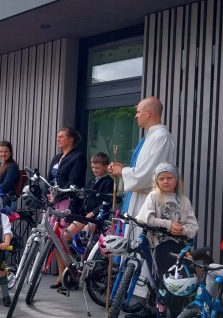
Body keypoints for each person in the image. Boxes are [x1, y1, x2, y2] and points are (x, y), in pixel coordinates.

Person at [135, 163, 199, 318]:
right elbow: (144, 218)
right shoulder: (154, 197)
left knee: (181, 285)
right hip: (162, 245)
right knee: (166, 282)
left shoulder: (183, 200)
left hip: (181, 245)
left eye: (169, 178)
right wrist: (168, 225)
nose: (165, 181)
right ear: (156, 181)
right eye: (161, 178)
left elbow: (193, 227)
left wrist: (183, 229)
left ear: (176, 179)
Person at [51, 152, 114, 289]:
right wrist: (71, 211)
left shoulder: (109, 182)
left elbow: (106, 202)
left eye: (97, 168)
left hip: (97, 218)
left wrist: (91, 214)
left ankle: (86, 264)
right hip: (85, 216)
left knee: (86, 233)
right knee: (65, 235)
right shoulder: (91, 181)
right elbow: (82, 198)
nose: (94, 170)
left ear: (105, 167)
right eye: (93, 167)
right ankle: (74, 265)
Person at [109, 96, 177, 221]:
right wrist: (122, 170)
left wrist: (123, 172)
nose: (136, 116)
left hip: (148, 202)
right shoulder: (149, 137)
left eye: (138, 112)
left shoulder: (161, 137)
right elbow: (142, 169)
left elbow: (150, 173)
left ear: (148, 113)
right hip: (138, 198)